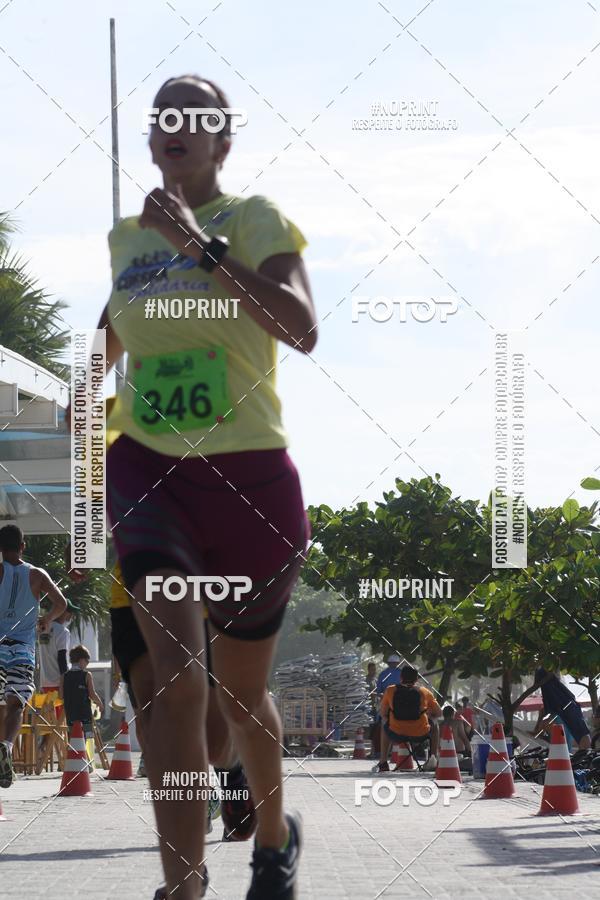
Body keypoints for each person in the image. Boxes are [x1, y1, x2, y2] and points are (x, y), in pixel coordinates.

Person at [70, 74, 316, 899]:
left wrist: (199, 247)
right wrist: (81, 412)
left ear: (222, 141)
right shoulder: (126, 242)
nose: (173, 127)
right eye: (161, 117)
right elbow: (103, 354)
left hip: (250, 484)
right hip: (150, 473)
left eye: (194, 116)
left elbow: (301, 328)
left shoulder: (255, 219)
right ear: (151, 141)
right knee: (175, 679)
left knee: (240, 701)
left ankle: (273, 840)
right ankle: (183, 884)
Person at [0, 524, 68, 788]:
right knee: (16, 703)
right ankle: (5, 746)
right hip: (22, 649)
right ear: (23, 546)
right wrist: (46, 619)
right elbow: (61, 602)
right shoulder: (37, 575)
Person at [378, 665, 442, 772]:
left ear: (401, 678)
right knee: (435, 724)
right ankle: (433, 757)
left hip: (396, 733)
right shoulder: (424, 692)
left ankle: (383, 762)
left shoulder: (390, 690)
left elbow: (383, 713)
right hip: (420, 734)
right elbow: (439, 713)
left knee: (384, 724)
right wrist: (426, 714)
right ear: (416, 679)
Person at [533, 667, 591, 750]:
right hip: (564, 709)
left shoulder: (552, 701)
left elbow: (539, 731)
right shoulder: (564, 699)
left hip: (562, 711)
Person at [60, 645, 104, 742]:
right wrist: (100, 703)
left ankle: (73, 756)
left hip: (70, 715)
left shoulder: (64, 676)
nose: (87, 664)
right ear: (81, 660)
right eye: (87, 661)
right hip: (85, 715)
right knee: (86, 740)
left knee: (73, 739)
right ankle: (84, 757)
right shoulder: (87, 675)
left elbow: (61, 695)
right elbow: (92, 694)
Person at [39, 604, 73, 693]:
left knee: (48, 707)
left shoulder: (43, 629)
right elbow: (62, 658)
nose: (71, 616)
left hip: (45, 683)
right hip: (59, 684)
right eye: (70, 613)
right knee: (60, 707)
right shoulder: (63, 631)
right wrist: (65, 684)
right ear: (63, 613)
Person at [366, 661, 379, 758]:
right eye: (372, 669)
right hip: (368, 707)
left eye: (375, 669)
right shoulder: (366, 680)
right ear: (368, 670)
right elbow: (369, 693)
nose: (374, 671)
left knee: (374, 729)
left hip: (375, 707)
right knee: (371, 730)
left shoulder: (375, 680)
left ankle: (373, 751)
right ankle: (372, 751)